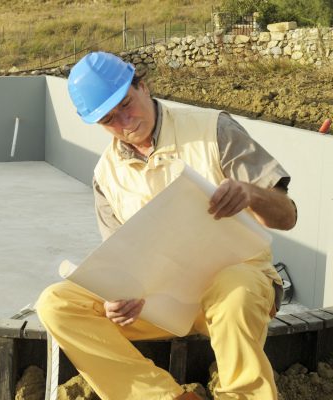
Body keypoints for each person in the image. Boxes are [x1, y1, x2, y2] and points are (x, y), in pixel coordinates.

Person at [36, 51, 297, 400]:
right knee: (56, 303)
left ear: (143, 86)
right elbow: (121, 266)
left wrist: (250, 193)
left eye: (126, 104)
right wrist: (118, 297)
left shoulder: (213, 130)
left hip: (237, 286)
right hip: (161, 306)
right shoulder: (105, 175)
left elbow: (287, 216)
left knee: (234, 288)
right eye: (109, 120)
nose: (124, 122)